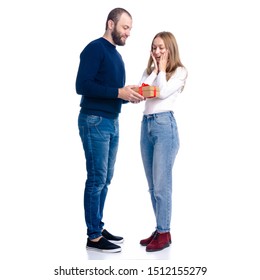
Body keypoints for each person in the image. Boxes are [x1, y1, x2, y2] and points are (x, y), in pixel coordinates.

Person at [75, 8, 144, 253]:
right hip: (94, 121)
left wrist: (128, 95)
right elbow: (82, 85)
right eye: (125, 27)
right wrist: (118, 92)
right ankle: (93, 236)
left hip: (111, 121)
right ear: (110, 24)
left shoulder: (115, 55)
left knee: (105, 179)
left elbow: (110, 90)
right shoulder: (95, 48)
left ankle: (97, 225)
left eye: (130, 29)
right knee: (96, 179)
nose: (128, 33)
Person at [139, 31, 188, 252]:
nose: (157, 52)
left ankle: (164, 231)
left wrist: (160, 71)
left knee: (162, 185)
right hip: (146, 125)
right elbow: (141, 92)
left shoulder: (180, 71)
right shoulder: (150, 71)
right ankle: (160, 229)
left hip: (164, 127)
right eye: (154, 48)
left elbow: (161, 92)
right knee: (152, 186)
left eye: (161, 48)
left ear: (169, 48)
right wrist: (155, 70)